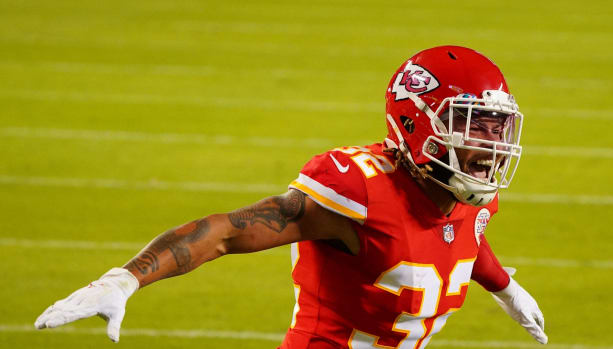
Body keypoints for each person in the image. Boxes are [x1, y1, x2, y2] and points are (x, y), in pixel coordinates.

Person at [34, 46, 547, 348]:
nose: (489, 145)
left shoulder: (465, 190)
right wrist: (127, 278)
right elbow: (228, 232)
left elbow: (463, 238)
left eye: (497, 127)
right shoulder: (358, 191)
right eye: (472, 125)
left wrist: (505, 289)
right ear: (414, 122)